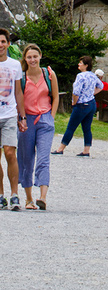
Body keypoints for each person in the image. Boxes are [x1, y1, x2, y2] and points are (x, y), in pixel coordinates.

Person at [17, 44, 59, 210]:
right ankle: (28, 199)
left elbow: (55, 97)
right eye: (29, 57)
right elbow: (18, 99)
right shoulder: (21, 77)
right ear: (25, 59)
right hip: (26, 121)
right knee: (26, 159)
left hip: (44, 120)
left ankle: (42, 197)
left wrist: (51, 117)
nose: (32, 60)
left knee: (43, 158)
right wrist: (21, 118)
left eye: (35, 56)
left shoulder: (48, 74)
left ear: (40, 56)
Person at [53, 54, 103, 156]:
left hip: (81, 104)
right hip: (91, 103)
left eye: (81, 63)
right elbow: (101, 86)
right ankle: (86, 150)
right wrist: (91, 93)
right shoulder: (93, 75)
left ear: (86, 65)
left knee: (71, 127)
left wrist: (74, 102)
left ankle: (60, 148)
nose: (78, 64)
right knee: (87, 128)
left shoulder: (80, 76)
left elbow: (76, 92)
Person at [0, 27, 26, 211]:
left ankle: (15, 194)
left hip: (9, 114)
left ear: (8, 44)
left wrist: (22, 116)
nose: (0, 45)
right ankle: (1, 195)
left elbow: (18, 92)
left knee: (10, 153)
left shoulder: (15, 65)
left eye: (2, 42)